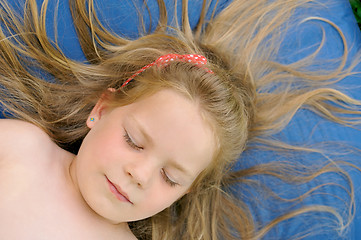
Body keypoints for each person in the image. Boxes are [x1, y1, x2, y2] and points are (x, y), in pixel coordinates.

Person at [0, 0, 360, 239]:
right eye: (134, 141)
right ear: (102, 109)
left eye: (170, 178)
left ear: (185, 192)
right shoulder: (22, 150)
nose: (138, 176)